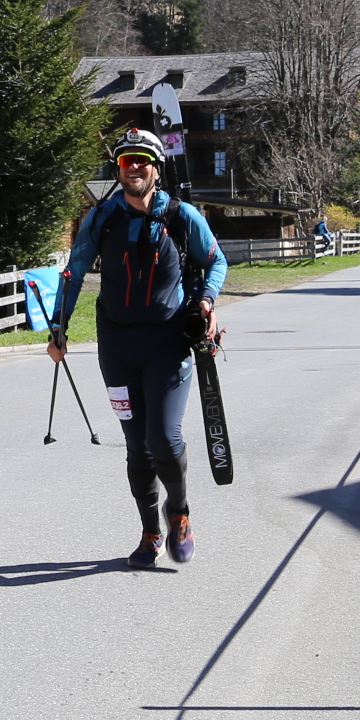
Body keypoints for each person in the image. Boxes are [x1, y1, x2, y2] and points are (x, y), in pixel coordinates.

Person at [46, 130, 226, 567]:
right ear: (119, 169)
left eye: (143, 160)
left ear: (156, 169)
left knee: (163, 438)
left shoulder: (182, 217)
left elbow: (215, 261)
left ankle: (178, 514)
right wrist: (58, 327)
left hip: (168, 340)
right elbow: (73, 273)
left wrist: (206, 300)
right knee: (137, 446)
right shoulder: (102, 217)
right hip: (117, 346)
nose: (135, 167)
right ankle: (150, 533)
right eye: (128, 161)